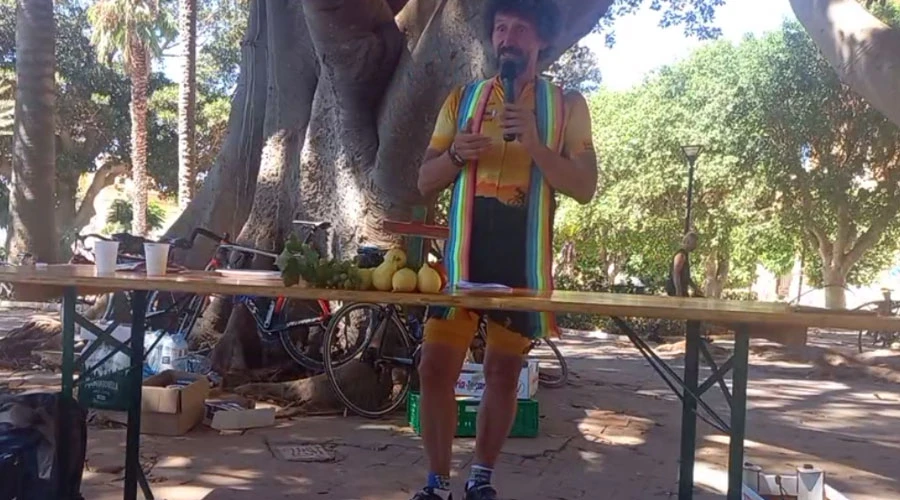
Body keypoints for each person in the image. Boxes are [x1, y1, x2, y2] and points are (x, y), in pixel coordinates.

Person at [414, 1, 598, 498]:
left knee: (502, 372)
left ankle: (481, 479)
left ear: (541, 40)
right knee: (434, 368)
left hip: (521, 260)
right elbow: (425, 180)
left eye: (519, 29)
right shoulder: (462, 100)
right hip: (463, 259)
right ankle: (436, 483)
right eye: (500, 28)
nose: (507, 39)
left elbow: (584, 187)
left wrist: (536, 144)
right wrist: (456, 154)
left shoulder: (568, 106)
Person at [665, 232, 700, 297]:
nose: (696, 246)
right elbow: (676, 273)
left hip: (682, 290)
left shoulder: (685, 255)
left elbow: (686, 277)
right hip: (675, 291)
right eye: (694, 243)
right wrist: (678, 292)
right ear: (688, 242)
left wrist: (695, 288)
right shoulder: (681, 255)